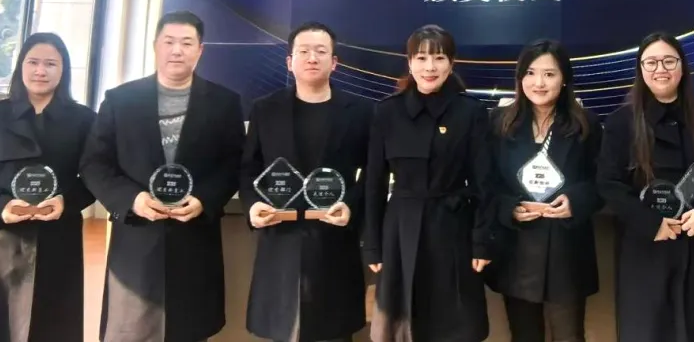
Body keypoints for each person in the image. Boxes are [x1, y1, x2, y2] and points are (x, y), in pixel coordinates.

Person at [80, 11, 246, 342]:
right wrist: (133, 199)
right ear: (156, 45)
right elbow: (95, 163)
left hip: (194, 237)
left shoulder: (224, 103)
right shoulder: (120, 100)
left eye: (187, 43)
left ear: (200, 50)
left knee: (190, 328)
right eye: (169, 42)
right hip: (137, 236)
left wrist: (204, 199)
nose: (177, 50)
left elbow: (235, 163)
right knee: (132, 330)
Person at [596, 31, 694, 342]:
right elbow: (608, 184)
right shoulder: (621, 122)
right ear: (640, 68)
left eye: (668, 61)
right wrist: (650, 222)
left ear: (682, 66)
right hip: (648, 249)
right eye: (651, 62)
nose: (660, 69)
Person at [0, 32, 97, 342]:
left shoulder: (84, 120)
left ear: (63, 70)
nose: (40, 71)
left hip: (57, 240)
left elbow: (96, 176)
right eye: (33, 62)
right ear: (20, 66)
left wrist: (66, 201)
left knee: (52, 327)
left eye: (51, 64)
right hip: (0, 241)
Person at [239, 21, 373, 342]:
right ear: (290, 61)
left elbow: (373, 172)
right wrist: (253, 205)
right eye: (303, 51)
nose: (312, 58)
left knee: (334, 331)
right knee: (283, 329)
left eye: (321, 51)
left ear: (334, 62)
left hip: (335, 240)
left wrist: (351, 206)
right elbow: (248, 168)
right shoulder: (265, 109)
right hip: (280, 238)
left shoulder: (361, 111)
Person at [363, 24, 496, 342]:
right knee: (401, 323)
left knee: (454, 323)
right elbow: (373, 184)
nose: (430, 67)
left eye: (439, 58)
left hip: (453, 225)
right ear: (409, 62)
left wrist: (482, 241)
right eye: (421, 58)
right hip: (399, 228)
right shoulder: (386, 111)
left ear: (451, 63)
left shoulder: (471, 112)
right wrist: (372, 246)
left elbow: (485, 183)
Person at [487, 39, 603, 342]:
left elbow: (602, 181)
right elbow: (486, 183)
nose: (539, 83)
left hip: (567, 249)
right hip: (517, 250)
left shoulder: (585, 124)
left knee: (569, 336)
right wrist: (509, 207)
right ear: (520, 78)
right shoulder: (499, 123)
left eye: (549, 74)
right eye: (530, 73)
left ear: (564, 79)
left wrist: (575, 201)